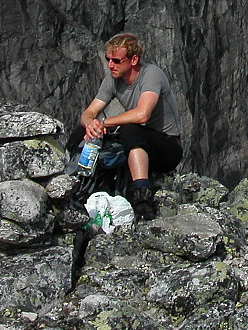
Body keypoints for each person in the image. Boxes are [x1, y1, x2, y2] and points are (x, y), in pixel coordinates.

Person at [69, 33, 182, 220]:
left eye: (116, 60)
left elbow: (142, 114)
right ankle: (73, 182)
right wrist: (91, 124)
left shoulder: (151, 74)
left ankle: (141, 196)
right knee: (81, 132)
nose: (110, 65)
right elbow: (88, 114)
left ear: (134, 59)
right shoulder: (113, 79)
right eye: (108, 59)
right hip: (140, 140)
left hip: (167, 146)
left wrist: (104, 122)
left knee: (130, 130)